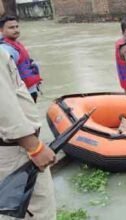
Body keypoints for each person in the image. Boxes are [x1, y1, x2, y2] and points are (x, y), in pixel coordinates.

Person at [0, 48, 56, 219]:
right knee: (37, 209)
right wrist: (34, 147)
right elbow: (4, 106)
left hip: (14, 146)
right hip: (16, 149)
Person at [0, 15, 42, 103]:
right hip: (21, 94)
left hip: (28, 90)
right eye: (11, 28)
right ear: (1, 30)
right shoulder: (7, 49)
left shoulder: (15, 44)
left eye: (17, 26)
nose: (16, 30)